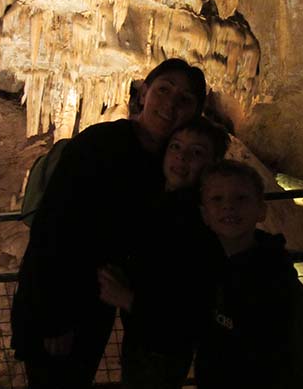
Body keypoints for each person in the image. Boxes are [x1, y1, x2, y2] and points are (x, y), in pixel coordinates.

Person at [10, 57, 207, 389]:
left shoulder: (167, 163)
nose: (171, 104)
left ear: (195, 113)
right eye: (164, 90)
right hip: (59, 303)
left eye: (184, 99)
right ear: (143, 94)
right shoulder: (98, 144)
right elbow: (53, 229)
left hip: (100, 304)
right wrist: (53, 318)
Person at [98, 117, 230, 389]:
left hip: (161, 346)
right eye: (176, 146)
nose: (182, 157)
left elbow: (188, 306)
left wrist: (129, 299)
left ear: (213, 164)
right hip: (143, 334)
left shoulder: (198, 222)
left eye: (196, 152)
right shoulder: (162, 200)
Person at [195, 159, 303, 389]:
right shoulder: (209, 266)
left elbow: (292, 360)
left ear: (261, 210)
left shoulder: (279, 284)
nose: (229, 206)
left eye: (241, 198)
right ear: (204, 214)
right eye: (217, 199)